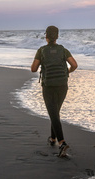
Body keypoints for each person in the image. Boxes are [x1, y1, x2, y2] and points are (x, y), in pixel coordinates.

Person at [30, 25, 77, 157]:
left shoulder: (41, 50)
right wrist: (67, 72)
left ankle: (62, 142)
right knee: (55, 112)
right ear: (57, 37)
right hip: (62, 85)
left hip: (49, 86)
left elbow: (33, 69)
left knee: (53, 113)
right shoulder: (63, 50)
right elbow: (74, 65)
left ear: (46, 37)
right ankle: (52, 138)